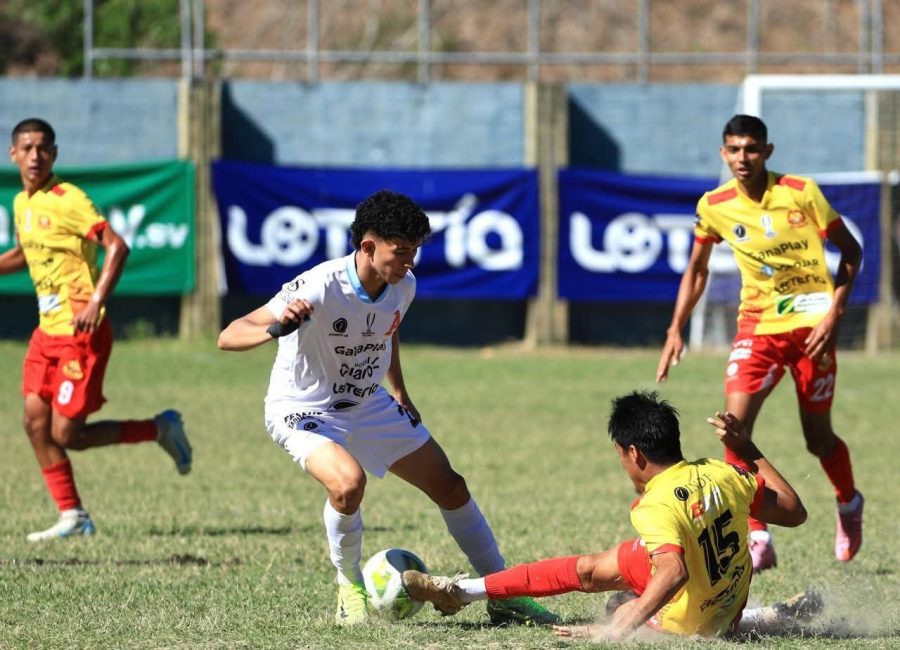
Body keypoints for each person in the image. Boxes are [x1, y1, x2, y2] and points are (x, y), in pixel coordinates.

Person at [217, 189, 558, 626]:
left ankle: (504, 592)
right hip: (304, 409)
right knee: (347, 484)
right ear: (367, 246)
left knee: (451, 486)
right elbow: (230, 333)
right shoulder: (320, 285)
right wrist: (278, 328)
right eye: (401, 252)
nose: (410, 262)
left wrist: (398, 389)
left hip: (366, 402)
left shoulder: (403, 285)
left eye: (415, 252)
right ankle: (349, 587)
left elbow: (384, 331)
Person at [402, 390, 819, 641]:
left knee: (616, 599)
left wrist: (618, 629)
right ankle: (460, 592)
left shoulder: (655, 505)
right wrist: (747, 448)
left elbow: (673, 572)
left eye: (619, 454)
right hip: (725, 600)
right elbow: (794, 511)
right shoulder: (721, 472)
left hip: (690, 625)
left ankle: (765, 617)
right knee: (590, 569)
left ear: (633, 453)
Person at [656, 114, 864, 572]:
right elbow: (697, 270)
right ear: (723, 154)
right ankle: (758, 533)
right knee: (734, 426)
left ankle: (848, 503)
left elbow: (851, 251)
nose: (742, 158)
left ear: (767, 152)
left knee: (819, 439)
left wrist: (834, 314)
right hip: (758, 327)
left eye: (751, 149)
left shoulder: (800, 192)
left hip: (813, 330)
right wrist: (675, 328)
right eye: (734, 150)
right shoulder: (714, 205)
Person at [1, 118, 193, 542]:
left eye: (43, 148)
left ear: (55, 154)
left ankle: (159, 428)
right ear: (13, 154)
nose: (36, 156)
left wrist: (95, 301)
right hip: (46, 333)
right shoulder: (21, 203)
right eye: (27, 148)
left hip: (81, 335)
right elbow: (23, 254)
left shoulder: (68, 199)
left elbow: (117, 245)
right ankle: (72, 514)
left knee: (67, 435)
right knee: (35, 424)